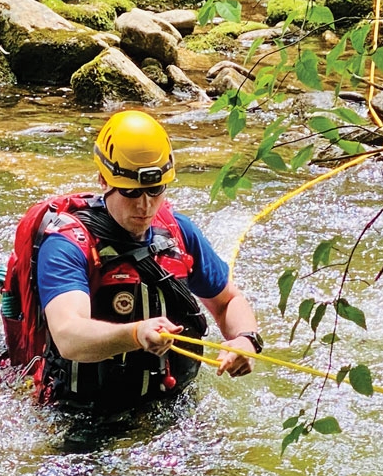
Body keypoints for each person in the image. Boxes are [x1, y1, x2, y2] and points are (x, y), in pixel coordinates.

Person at [34, 109, 263, 413]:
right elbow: (69, 334)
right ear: (104, 180)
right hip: (84, 413)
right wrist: (135, 334)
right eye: (132, 192)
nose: (145, 206)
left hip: (174, 405)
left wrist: (246, 340)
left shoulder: (178, 232)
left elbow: (227, 300)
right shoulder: (68, 245)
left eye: (155, 191)